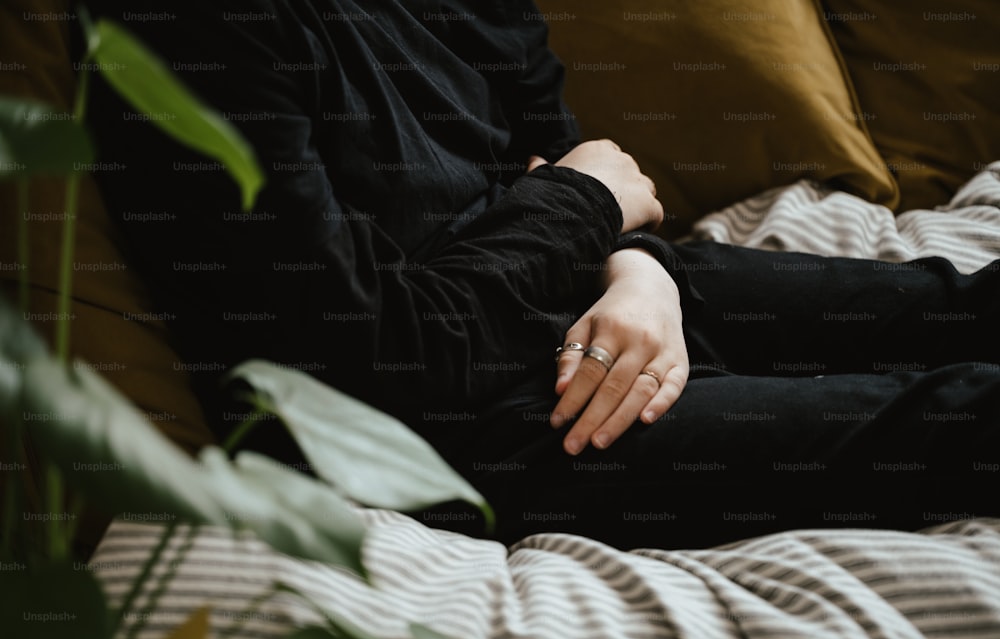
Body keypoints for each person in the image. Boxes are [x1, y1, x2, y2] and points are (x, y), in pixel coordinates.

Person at [85, 0, 999, 549]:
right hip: (473, 419)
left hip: (588, 281)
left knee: (953, 305)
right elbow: (384, 356)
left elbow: (572, 155)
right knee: (956, 420)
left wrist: (640, 271)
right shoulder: (191, 26)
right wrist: (588, 204)